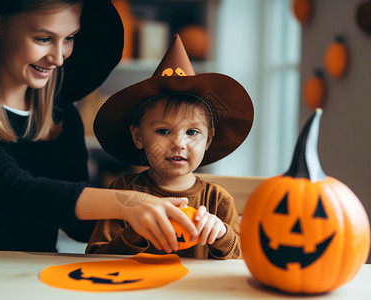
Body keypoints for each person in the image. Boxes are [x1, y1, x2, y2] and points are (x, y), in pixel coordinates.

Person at [0, 0, 199, 253]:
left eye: (69, 38)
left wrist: (161, 199)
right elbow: (14, 190)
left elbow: (80, 228)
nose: (58, 57)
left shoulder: (62, 116)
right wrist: (129, 202)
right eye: (43, 39)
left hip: (35, 276)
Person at [86, 35, 254, 259]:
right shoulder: (123, 193)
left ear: (209, 139)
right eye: (163, 131)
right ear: (138, 137)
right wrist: (133, 235)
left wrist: (222, 234)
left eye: (192, 132)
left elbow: (242, 261)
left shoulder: (217, 200)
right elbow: (96, 256)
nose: (178, 143)